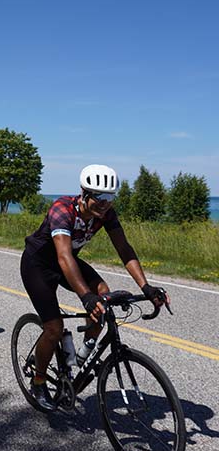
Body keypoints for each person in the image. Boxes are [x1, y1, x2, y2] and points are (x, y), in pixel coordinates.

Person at [20, 164, 169, 410]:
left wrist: (146, 287)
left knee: (104, 296)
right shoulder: (62, 209)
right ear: (84, 193)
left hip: (66, 262)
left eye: (110, 198)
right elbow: (64, 256)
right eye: (99, 197)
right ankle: (38, 380)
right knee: (54, 328)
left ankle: (83, 354)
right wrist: (85, 297)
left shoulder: (107, 214)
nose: (105, 203)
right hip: (38, 264)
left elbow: (124, 249)